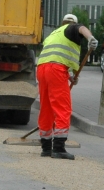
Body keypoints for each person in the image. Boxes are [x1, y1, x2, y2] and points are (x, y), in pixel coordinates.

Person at [37, 13, 97, 160]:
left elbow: (57, 56)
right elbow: (82, 28)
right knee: (63, 108)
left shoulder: (54, 34)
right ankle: (58, 148)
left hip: (42, 68)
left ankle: (46, 148)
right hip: (55, 70)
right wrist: (90, 38)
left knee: (47, 107)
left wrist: (69, 76)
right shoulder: (71, 28)